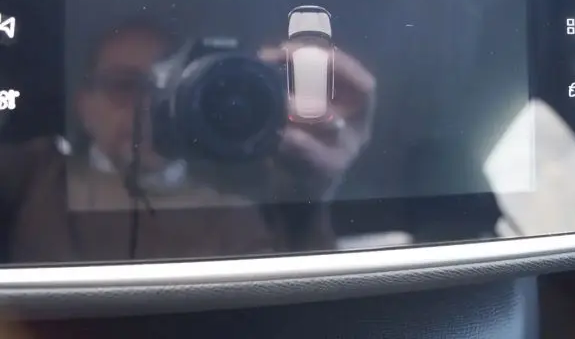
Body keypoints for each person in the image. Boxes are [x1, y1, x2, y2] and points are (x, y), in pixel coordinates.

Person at [5, 20, 375, 262]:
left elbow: (297, 319)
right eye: (124, 85)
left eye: (164, 87)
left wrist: (308, 198)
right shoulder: (34, 173)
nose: (146, 104)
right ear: (83, 104)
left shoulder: (231, 214)